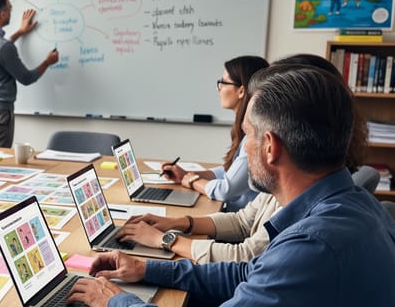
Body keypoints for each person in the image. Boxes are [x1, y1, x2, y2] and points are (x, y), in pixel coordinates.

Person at [68, 65, 395, 307]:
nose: (243, 148)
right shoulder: (353, 205)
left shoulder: (316, 248)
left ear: (270, 147)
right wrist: (148, 269)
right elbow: (250, 273)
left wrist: (116, 304)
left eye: (248, 136)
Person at [120, 54, 367, 263]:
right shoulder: (300, 181)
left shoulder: (306, 222)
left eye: (250, 135)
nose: (246, 148)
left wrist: (166, 239)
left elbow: (246, 257)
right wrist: (176, 223)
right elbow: (242, 222)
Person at [160, 56, 269, 212]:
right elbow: (231, 171)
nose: (219, 88)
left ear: (241, 90)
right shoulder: (245, 129)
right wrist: (187, 174)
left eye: (223, 82)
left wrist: (191, 180)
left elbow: (225, 190)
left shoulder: (254, 136)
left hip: (239, 220)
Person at [0, 0, 60, 148]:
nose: (11, 12)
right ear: (3, 14)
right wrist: (47, 62)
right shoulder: (4, 47)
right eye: (10, 9)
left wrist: (20, 32)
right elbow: (26, 78)